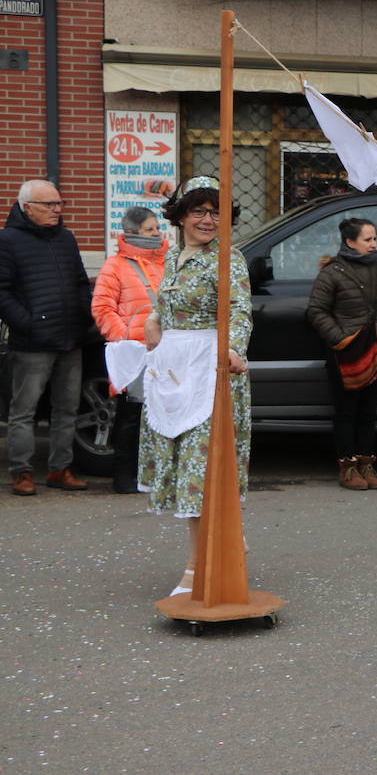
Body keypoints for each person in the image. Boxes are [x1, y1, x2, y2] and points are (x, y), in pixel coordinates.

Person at [139, 176, 252, 598]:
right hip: (175, 371)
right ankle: (222, 547)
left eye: (217, 212)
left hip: (212, 371)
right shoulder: (173, 256)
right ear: (182, 215)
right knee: (188, 468)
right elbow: (163, 303)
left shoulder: (228, 257)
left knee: (200, 472)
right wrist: (152, 321)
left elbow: (240, 310)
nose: (208, 220)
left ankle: (196, 566)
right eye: (199, 211)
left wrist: (235, 350)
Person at [0, 179, 93, 497]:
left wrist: (83, 316)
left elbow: (81, 282)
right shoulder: (7, 241)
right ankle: (21, 472)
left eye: (59, 203)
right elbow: (2, 292)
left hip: (69, 338)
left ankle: (59, 469)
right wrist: (28, 324)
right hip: (32, 343)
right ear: (27, 207)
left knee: (67, 409)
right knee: (23, 410)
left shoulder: (66, 238)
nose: (57, 210)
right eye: (49, 205)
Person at [306, 217, 377, 490]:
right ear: (350, 242)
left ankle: (366, 463)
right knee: (346, 412)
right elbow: (317, 311)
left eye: (375, 238)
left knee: (368, 412)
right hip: (346, 354)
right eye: (368, 239)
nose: (374, 243)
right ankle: (347, 467)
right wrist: (342, 340)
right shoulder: (333, 272)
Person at [91, 205, 168, 494]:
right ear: (132, 232)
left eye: (158, 229)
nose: (157, 234)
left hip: (165, 349)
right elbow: (102, 307)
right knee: (130, 416)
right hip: (135, 352)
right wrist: (124, 337)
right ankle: (124, 478)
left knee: (163, 412)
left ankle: (155, 476)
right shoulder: (116, 265)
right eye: (150, 230)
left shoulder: (166, 261)